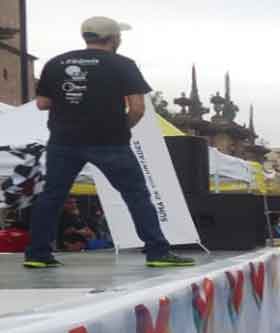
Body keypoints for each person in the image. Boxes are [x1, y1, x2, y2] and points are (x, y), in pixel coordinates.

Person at [25, 17, 194, 268]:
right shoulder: (123, 64)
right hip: (110, 142)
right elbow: (137, 108)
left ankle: (37, 255)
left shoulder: (56, 63)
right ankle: (157, 252)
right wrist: (122, 127)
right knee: (136, 195)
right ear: (114, 38)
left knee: (52, 196)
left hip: (63, 141)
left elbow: (42, 103)